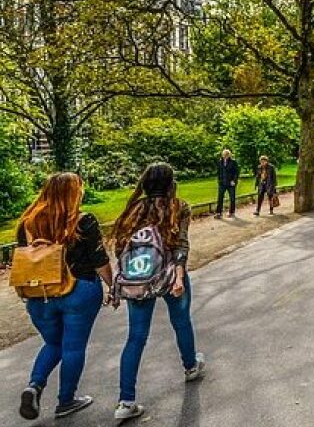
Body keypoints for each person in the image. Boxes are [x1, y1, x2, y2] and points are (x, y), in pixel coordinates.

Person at [111, 163, 205, 422]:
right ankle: (190, 366)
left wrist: (122, 281)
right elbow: (181, 245)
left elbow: (120, 247)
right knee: (181, 321)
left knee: (136, 337)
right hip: (169, 274)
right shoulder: (179, 207)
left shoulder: (134, 209)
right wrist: (179, 275)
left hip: (139, 278)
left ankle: (126, 399)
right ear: (170, 183)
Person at [16, 173, 113, 420]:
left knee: (53, 343)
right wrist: (112, 286)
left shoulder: (27, 223)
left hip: (40, 293)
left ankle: (34, 385)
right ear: (73, 192)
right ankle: (66, 400)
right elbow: (99, 260)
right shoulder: (82, 221)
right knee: (73, 346)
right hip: (79, 290)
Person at [214, 149, 239, 218]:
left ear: (229, 155)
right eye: (224, 154)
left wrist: (234, 181)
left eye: (227, 154)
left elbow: (236, 173)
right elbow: (218, 172)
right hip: (222, 183)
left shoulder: (233, 162)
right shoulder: (220, 162)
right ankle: (219, 213)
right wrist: (219, 181)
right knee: (220, 198)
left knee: (232, 198)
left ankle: (231, 212)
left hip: (231, 183)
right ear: (222, 155)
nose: (225, 156)